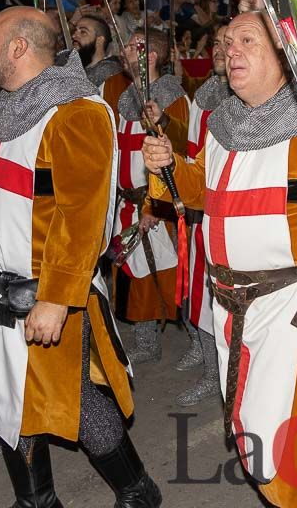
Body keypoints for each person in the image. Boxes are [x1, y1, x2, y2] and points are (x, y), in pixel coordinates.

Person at [0, 7, 160, 507]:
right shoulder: (15, 102)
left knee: (77, 400)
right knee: (8, 403)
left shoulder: (77, 111)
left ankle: (138, 494)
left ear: (20, 47)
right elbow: (5, 170)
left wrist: (57, 298)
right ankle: (36, 502)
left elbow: (85, 215)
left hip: (42, 292)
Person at [141, 12, 297, 507]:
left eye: (248, 40)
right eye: (227, 42)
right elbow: (203, 194)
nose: (231, 52)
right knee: (256, 431)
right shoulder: (223, 123)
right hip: (227, 302)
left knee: (276, 446)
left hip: (290, 305)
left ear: (286, 58)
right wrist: (169, 168)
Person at [102, 30, 188, 364]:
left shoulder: (171, 96)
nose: (120, 51)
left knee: (170, 278)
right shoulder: (123, 94)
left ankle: (200, 347)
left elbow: (181, 152)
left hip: (156, 203)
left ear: (149, 55)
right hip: (127, 200)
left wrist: (155, 202)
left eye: (129, 46)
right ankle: (146, 342)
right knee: (134, 274)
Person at [172, 22, 229, 407]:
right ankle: (213, 372)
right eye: (219, 43)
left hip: (238, 216)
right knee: (201, 297)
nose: (224, 50)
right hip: (201, 209)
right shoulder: (203, 96)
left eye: (236, 42)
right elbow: (193, 152)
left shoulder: (255, 99)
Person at [72, 11, 122, 87]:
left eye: (83, 32)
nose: (74, 36)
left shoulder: (110, 73)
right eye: (75, 31)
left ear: (99, 40)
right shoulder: (70, 67)